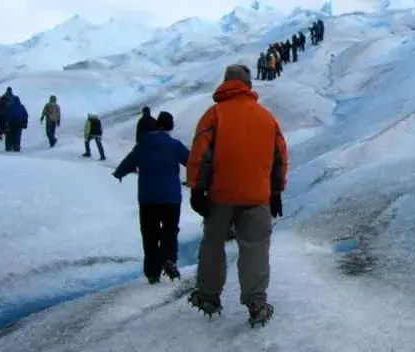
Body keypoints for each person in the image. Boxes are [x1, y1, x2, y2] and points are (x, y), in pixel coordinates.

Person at [186, 64, 287, 327]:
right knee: (255, 247)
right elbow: (279, 157)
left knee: (213, 245)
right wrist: (276, 192)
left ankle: (208, 296)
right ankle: (256, 301)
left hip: (220, 195)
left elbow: (200, 154)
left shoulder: (214, 115)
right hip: (257, 196)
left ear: (226, 82)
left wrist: (197, 188)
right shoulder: (266, 117)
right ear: (248, 85)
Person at [113, 111, 189, 284]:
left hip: (148, 199)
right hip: (171, 197)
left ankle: (152, 273)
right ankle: (168, 257)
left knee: (149, 234)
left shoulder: (142, 146)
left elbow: (126, 164)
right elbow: (191, 160)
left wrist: (119, 173)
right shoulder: (174, 145)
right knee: (170, 230)